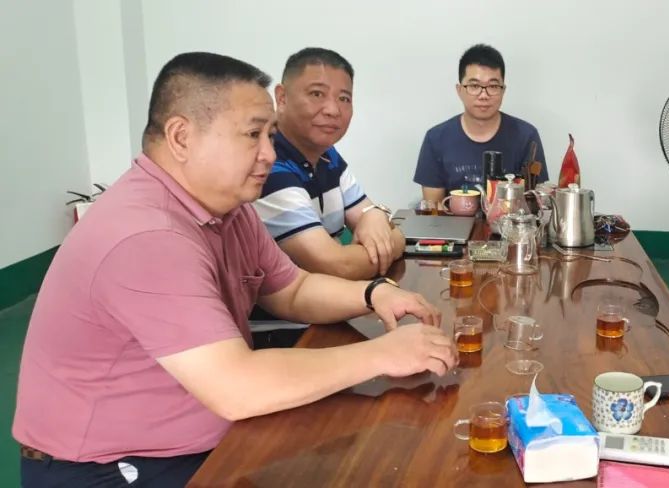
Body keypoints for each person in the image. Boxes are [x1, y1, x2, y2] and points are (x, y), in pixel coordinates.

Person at [13, 52, 456, 487]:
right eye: (253, 134)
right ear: (181, 137)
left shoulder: (228, 208)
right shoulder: (147, 235)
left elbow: (293, 290)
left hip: (199, 435)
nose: (269, 153)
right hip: (111, 467)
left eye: (271, 135)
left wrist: (373, 293)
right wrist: (382, 354)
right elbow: (237, 387)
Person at [251, 47, 406, 347]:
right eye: (317, 94)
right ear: (282, 97)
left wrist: (374, 216)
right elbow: (336, 266)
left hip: (331, 312)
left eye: (344, 98)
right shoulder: (268, 166)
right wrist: (394, 238)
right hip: (284, 335)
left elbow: (371, 215)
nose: (333, 109)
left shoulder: (327, 155)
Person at [413, 43, 547, 205]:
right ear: (459, 90)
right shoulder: (436, 139)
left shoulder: (526, 136)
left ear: (503, 90)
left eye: (493, 86)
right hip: (452, 221)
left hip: (511, 221)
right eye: (474, 86)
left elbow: (536, 202)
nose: (484, 95)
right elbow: (433, 208)